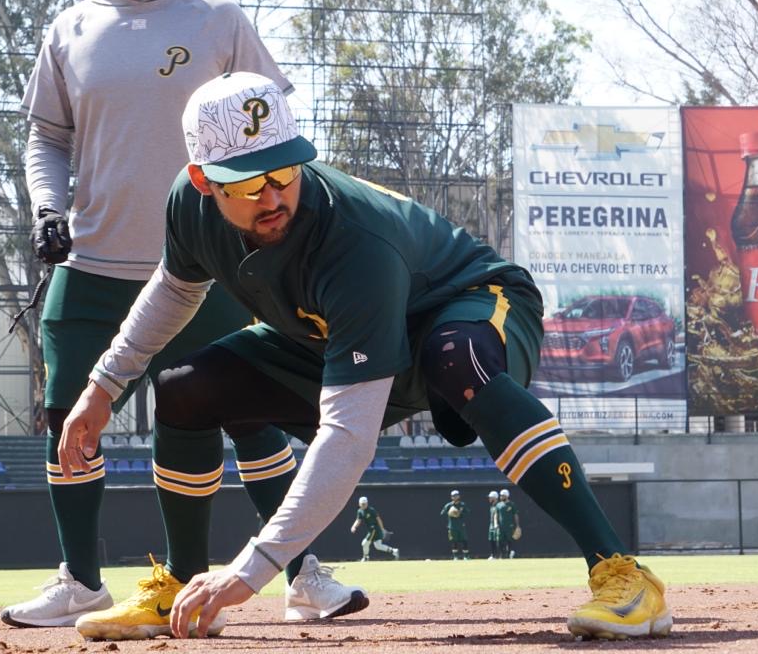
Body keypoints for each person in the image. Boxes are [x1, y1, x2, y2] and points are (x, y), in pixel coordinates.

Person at [57, 71, 675, 641]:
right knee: (186, 387)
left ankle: (622, 573)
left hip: (469, 304)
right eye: (245, 182)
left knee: (456, 357)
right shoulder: (189, 207)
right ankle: (180, 587)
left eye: (283, 171)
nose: (271, 197)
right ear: (202, 181)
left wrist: (253, 569)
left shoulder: (354, 242)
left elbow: (349, 436)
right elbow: (175, 288)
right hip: (342, 335)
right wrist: (103, 385)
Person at [4, 0, 362, 635]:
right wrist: (48, 209)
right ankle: (80, 583)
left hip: (211, 265)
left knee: (250, 416)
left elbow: (272, 127)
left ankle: (303, 574)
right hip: (93, 267)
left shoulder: (219, 19)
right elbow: (46, 138)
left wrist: (278, 220)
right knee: (67, 417)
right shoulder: (68, 30)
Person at [350, 496, 399, 562]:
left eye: (365, 504)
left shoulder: (371, 510)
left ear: (367, 503)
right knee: (378, 546)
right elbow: (358, 520)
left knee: (364, 543)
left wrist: (382, 529)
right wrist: (354, 526)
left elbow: (378, 519)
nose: (364, 505)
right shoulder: (359, 511)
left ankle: (366, 557)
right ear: (359, 504)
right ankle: (394, 551)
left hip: (374, 529)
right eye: (362, 504)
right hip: (373, 530)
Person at [440, 490, 469, 560]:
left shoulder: (462, 505)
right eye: (453, 496)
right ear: (451, 497)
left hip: (461, 526)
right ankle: (455, 556)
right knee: (454, 541)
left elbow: (468, 512)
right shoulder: (449, 505)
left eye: (456, 495)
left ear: (459, 496)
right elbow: (442, 513)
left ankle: (465, 556)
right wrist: (449, 513)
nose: (455, 497)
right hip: (452, 526)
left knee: (464, 540)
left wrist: (460, 513)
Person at [498, 488, 521, 559]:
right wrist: (496, 524)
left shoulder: (512, 504)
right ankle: (502, 555)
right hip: (501, 526)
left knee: (509, 540)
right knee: (500, 540)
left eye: (503, 495)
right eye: (501, 495)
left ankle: (509, 554)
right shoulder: (498, 505)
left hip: (509, 526)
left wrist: (517, 525)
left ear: (507, 496)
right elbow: (496, 515)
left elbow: (515, 515)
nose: (501, 497)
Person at [486, 491, 502, 560]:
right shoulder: (492, 506)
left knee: (498, 541)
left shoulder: (499, 505)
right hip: (491, 526)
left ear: (495, 498)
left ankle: (500, 555)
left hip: (497, 526)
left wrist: (497, 524)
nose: (489, 499)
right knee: (491, 540)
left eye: (490, 497)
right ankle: (493, 555)